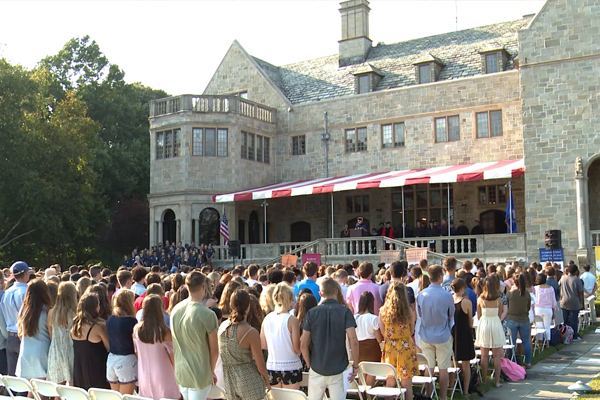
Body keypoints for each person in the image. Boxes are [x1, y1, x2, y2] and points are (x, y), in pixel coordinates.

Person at [301, 278, 359, 400]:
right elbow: (353, 340)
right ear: (337, 291)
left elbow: (303, 344)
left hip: (317, 365)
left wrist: (309, 364)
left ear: (321, 294)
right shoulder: (345, 311)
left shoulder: (312, 313)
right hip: (339, 366)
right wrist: (355, 365)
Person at [171, 272, 219, 400]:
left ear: (187, 287)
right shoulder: (208, 314)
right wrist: (211, 370)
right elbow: (214, 350)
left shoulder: (175, 309)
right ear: (204, 286)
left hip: (182, 371)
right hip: (200, 372)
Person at [219, 289, 270, 399]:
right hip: (249, 381)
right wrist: (267, 381)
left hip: (229, 381)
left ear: (231, 305)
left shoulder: (222, 327)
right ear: (248, 306)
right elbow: (260, 365)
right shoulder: (250, 331)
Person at [417, 265, 454, 400]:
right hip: (442, 333)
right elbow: (451, 313)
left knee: (429, 367)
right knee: (443, 368)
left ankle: (428, 395)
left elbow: (419, 313)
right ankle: (443, 397)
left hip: (426, 333)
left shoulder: (421, 294)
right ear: (440, 277)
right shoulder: (447, 294)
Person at [134, 295, 181, 400]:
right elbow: (174, 359)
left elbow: (137, 352)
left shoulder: (136, 330)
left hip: (144, 375)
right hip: (165, 376)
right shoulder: (164, 332)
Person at [379, 282, 417, 400]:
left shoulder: (383, 311)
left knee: (390, 381)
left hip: (390, 346)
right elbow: (411, 331)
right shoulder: (409, 311)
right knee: (407, 383)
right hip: (405, 346)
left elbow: (383, 331)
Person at [261, 283, 302, 390]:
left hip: (272, 366)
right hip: (291, 366)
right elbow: (297, 348)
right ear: (290, 299)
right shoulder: (292, 320)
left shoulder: (267, 319)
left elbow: (263, 345)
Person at [72, 293, 110, 389]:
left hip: (79, 371)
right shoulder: (99, 326)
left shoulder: (75, 326)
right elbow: (109, 347)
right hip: (97, 371)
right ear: (95, 307)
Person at [16, 279, 51, 380]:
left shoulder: (24, 310)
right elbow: (51, 334)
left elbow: (20, 333)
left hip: (25, 351)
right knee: (41, 392)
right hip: (42, 352)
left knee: (31, 390)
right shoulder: (47, 310)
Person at [1, 261, 30, 376]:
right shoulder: (27, 292)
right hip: (23, 336)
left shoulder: (6, 293)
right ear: (27, 273)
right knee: (25, 377)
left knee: (13, 378)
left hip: (10, 336)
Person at [106, 290, 138, 394]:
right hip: (127, 360)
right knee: (126, 397)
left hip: (112, 359)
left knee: (116, 397)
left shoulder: (110, 319)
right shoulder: (131, 321)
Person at [474, 277, 504, 387]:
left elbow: (478, 315)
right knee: (497, 356)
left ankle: (484, 381)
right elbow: (500, 315)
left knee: (484, 355)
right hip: (495, 323)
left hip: (484, 323)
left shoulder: (480, 299)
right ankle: (497, 381)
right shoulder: (498, 299)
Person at [47, 281, 78, 384]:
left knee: (59, 389)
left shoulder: (52, 312)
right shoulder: (76, 312)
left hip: (56, 350)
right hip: (72, 350)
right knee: (73, 385)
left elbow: (51, 334)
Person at [450, 279, 475, 394]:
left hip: (452, 333)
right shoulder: (466, 302)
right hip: (464, 333)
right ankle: (465, 391)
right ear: (461, 288)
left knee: (451, 362)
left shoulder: (449, 300)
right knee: (466, 364)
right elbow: (470, 322)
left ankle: (451, 388)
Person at [354, 291, 383, 386]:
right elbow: (379, 339)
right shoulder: (373, 318)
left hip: (359, 348)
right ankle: (368, 395)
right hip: (372, 348)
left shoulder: (354, 318)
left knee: (361, 372)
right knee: (371, 373)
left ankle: (362, 395)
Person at [559, 264, 584, 342]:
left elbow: (558, 287)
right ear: (576, 271)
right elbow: (580, 293)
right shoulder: (577, 280)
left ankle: (565, 335)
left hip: (564, 301)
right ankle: (574, 336)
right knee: (574, 320)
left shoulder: (562, 278)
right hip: (574, 302)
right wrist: (581, 302)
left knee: (565, 320)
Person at [534, 274, 557, 341]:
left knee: (539, 327)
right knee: (547, 327)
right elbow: (553, 301)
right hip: (548, 309)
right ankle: (547, 342)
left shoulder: (535, 288)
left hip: (537, 308)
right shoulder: (550, 288)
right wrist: (554, 311)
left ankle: (540, 341)